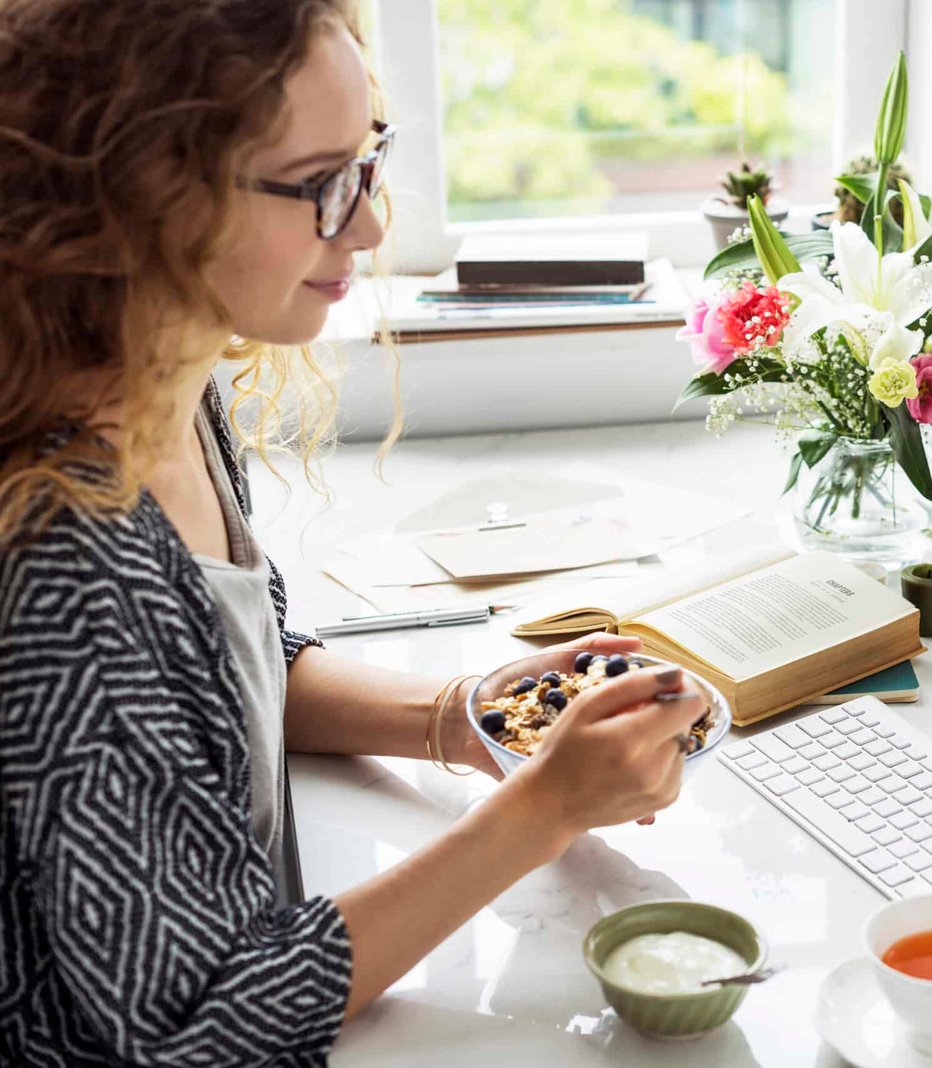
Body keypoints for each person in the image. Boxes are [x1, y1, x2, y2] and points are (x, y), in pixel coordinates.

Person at [0, 3, 708, 1064]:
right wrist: (544, 812)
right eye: (322, 183)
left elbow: (224, 686)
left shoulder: (166, 387)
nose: (371, 226)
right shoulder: (66, 563)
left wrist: (463, 717)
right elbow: (194, 1023)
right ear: (150, 196)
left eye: (370, 162)